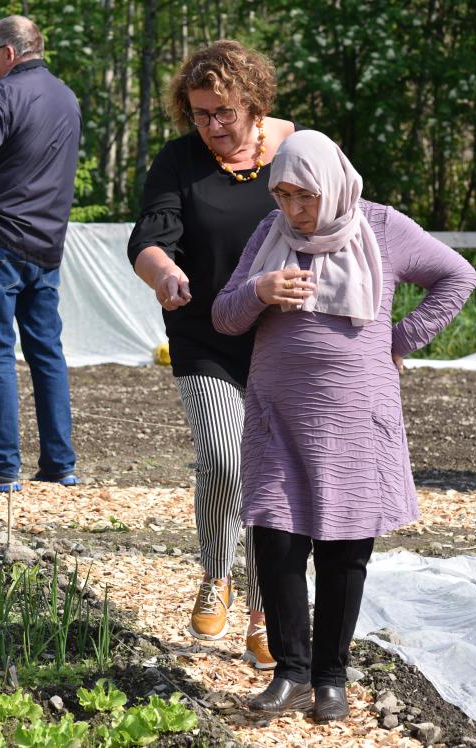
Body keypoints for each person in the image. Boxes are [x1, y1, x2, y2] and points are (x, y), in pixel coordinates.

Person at [211, 130, 476, 721]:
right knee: (276, 541)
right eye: (281, 196)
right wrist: (260, 290)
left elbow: (458, 277)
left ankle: (331, 675)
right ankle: (290, 671)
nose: (294, 211)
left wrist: (398, 339)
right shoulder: (269, 237)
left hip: (356, 416)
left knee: (343, 549)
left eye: (304, 196)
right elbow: (224, 317)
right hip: (278, 414)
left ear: (330, 185)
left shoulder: (381, 228)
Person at [127, 40, 298, 670]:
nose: (211, 127)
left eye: (223, 112)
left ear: (251, 102)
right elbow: (148, 238)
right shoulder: (179, 161)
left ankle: (262, 611)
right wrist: (164, 272)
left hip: (280, 338)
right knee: (226, 457)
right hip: (203, 333)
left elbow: (335, 216)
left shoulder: (293, 151)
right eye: (199, 114)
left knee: (273, 476)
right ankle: (215, 570)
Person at [0, 15, 81, 492]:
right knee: (47, 353)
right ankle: (60, 462)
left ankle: (3, 463)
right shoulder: (67, 98)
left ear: (7, 52)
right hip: (47, 245)